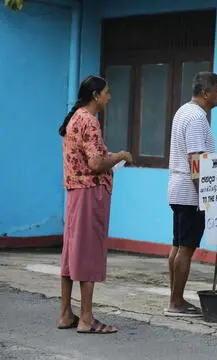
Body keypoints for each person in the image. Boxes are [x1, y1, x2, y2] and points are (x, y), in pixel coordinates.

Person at [58, 75, 133, 334]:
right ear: (95, 96)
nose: (109, 98)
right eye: (106, 93)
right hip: (90, 193)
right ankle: (87, 318)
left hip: (74, 193)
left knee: (71, 253)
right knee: (89, 252)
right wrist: (121, 156)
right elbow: (95, 164)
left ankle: (66, 312)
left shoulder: (75, 117)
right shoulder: (89, 121)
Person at [166, 72, 217, 316]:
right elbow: (196, 160)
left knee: (177, 246)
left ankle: (174, 298)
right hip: (190, 191)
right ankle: (176, 301)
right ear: (204, 93)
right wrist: (204, 196)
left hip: (178, 188)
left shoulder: (183, 111)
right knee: (186, 248)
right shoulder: (197, 118)